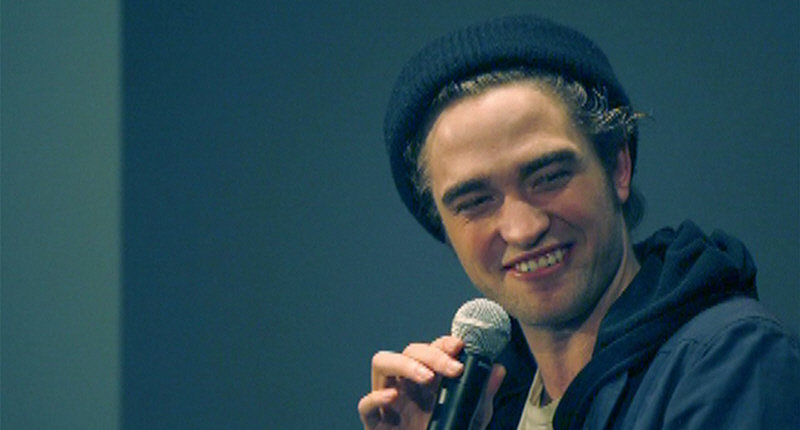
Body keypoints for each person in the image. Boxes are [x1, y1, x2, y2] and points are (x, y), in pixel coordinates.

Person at [357, 15, 800, 430]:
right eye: (475, 202)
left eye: (549, 177)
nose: (522, 229)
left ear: (619, 166)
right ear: (443, 225)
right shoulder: (486, 409)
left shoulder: (733, 360)